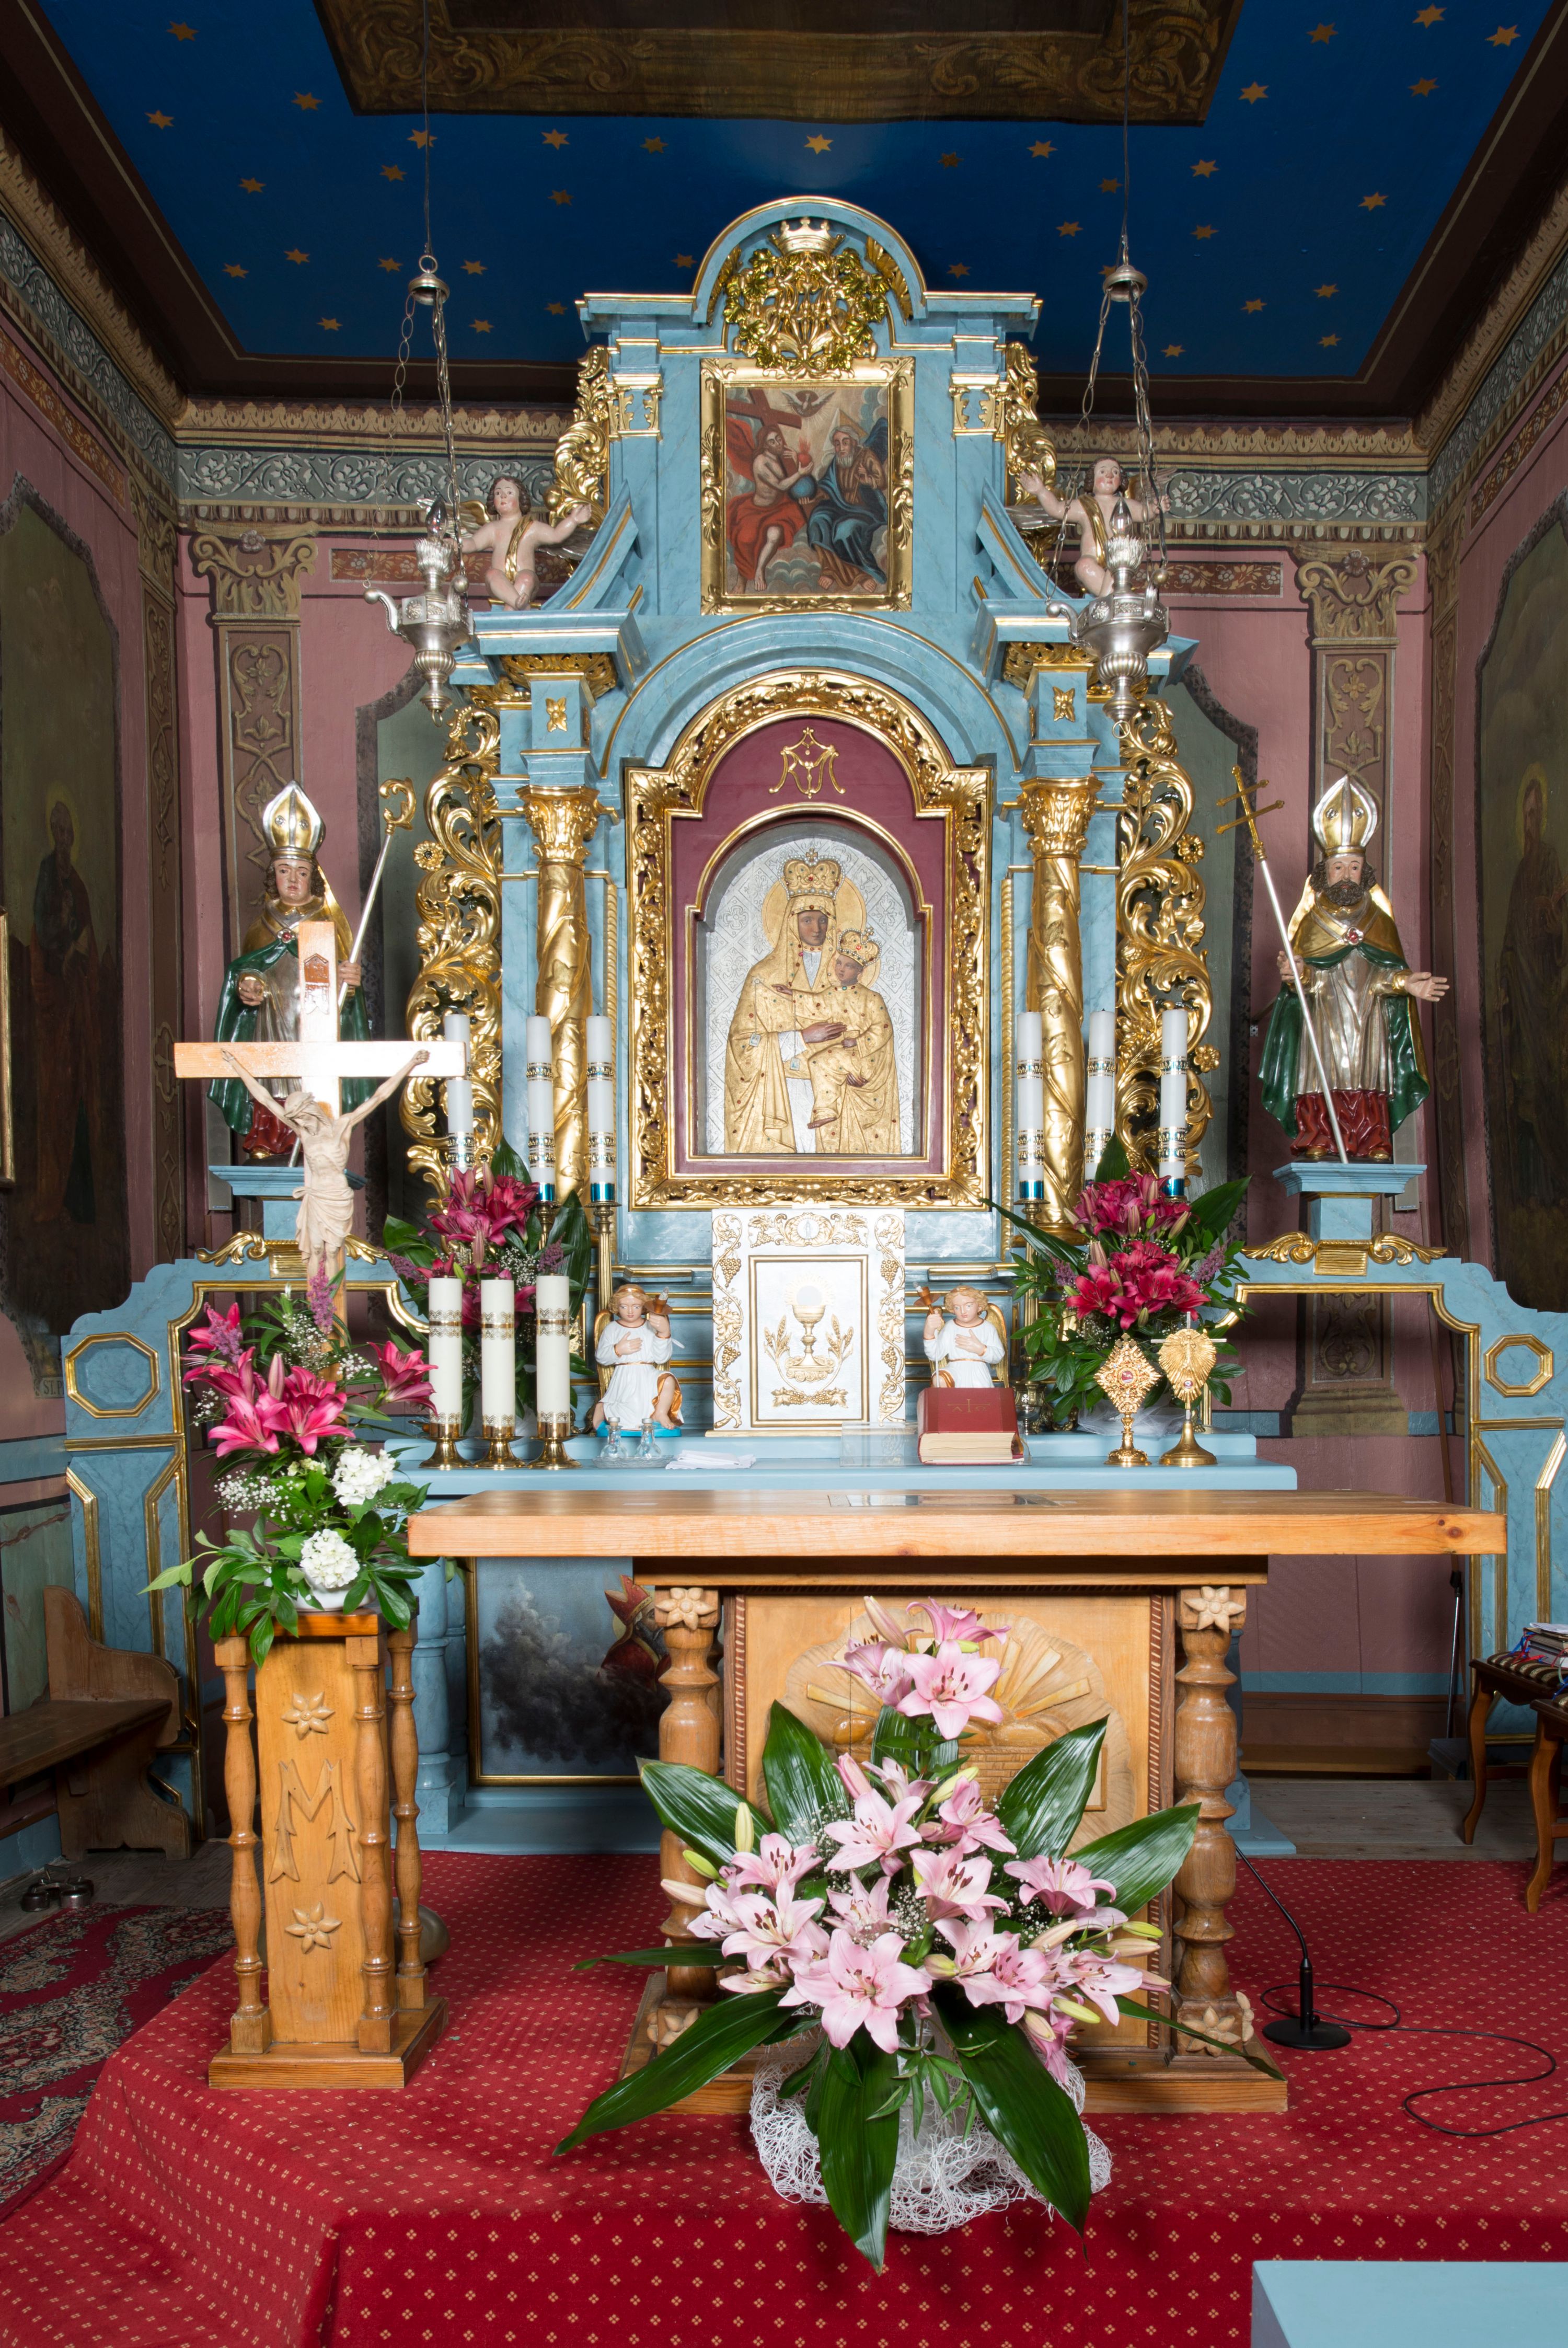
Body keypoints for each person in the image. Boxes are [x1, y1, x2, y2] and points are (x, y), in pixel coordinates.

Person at [1259, 776, 1448, 1161]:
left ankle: (1373, 1137)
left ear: (1365, 872)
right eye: (1339, 867)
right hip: (1324, 1017)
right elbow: (1303, 980)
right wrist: (1298, 975)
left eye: (1355, 867)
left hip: (1369, 1017)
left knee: (1371, 1072)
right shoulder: (1311, 922)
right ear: (1324, 872)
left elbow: (1386, 971)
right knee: (1319, 1072)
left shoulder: (1380, 921)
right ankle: (1318, 1134)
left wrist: (1407, 983)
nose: (1346, 875)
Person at [210, 785, 369, 1160]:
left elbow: (344, 980)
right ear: (273, 876)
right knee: (272, 1073)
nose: (293, 880)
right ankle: (269, 1135)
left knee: (312, 1076)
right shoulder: (262, 923)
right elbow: (248, 967)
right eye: (284, 871)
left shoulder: (328, 921)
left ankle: (314, 1136)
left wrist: (349, 982)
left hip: (313, 1013)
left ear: (313, 876)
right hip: (272, 1015)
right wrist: (248, 984)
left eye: (301, 872)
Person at [218, 1051, 427, 1275]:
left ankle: (329, 1296)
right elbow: (266, 1099)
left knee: (333, 1250)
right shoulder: (304, 1133)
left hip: (337, 1196)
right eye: (296, 1120)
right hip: (316, 1195)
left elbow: (379, 1097)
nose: (299, 1123)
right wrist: (236, 1065)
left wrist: (411, 1064)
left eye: (301, 1117)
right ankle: (317, 1296)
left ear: (311, 1111)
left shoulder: (342, 1126)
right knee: (316, 1249)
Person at [723, 856, 859, 1153]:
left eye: (823, 919)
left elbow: (865, 1026)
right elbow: (742, 1044)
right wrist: (801, 1037)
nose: (817, 928)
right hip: (782, 1094)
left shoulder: (846, 975)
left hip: (837, 1095)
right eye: (807, 919)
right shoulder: (763, 977)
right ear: (791, 921)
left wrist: (856, 1063)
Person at [1496, 767, 1568, 1204]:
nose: (1531, 823)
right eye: (1526, 815)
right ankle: (1532, 1190)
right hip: (1521, 997)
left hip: (1544, 994)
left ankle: (1557, 1180)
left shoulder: (1551, 861)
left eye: (1536, 815)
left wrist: (1555, 929)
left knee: (1548, 1083)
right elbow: (1509, 939)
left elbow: (1558, 931)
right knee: (1523, 1089)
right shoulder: (1522, 871)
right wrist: (1505, 978)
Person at [28, 796, 100, 1223]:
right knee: (56, 1092)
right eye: (57, 831)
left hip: (77, 1005)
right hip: (54, 1002)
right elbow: (42, 930)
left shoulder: (78, 884)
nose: (63, 839)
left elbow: (88, 935)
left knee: (79, 1094)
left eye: (68, 832)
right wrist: (65, 949)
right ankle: (52, 1192)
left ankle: (79, 1196)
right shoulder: (46, 876)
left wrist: (81, 953)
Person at [793, 928, 900, 1155]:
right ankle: (824, 1113)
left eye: (849, 966)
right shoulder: (832, 993)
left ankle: (825, 1111)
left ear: (860, 971)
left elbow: (883, 1029)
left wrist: (859, 1042)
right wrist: (790, 995)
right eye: (839, 963)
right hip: (840, 1056)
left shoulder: (872, 998)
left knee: (818, 1062)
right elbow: (814, 1004)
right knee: (799, 1062)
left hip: (865, 1058)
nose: (841, 969)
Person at [1016, 456, 1169, 596]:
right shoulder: (1084, 505)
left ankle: (1108, 602)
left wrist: (1155, 507)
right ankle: (1117, 599)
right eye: (1103, 472)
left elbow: (1144, 513)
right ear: (1092, 480)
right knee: (1084, 566)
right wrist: (1041, 491)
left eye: (1115, 473)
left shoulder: (1125, 505)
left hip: (1116, 560)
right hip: (1092, 559)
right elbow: (1056, 509)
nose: (1110, 475)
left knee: (1118, 565)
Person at [459, 474, 591, 610]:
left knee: (526, 577)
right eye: (498, 493)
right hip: (498, 584)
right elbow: (474, 543)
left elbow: (556, 535)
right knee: (492, 574)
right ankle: (518, 603)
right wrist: (456, 544)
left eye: (509, 493)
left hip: (527, 583)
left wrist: (573, 520)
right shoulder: (492, 529)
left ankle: (512, 607)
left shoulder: (531, 528)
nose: (503, 496)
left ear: (520, 499)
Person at [801, 416, 889, 591]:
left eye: (845, 443)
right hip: (840, 506)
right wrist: (813, 497)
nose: (841, 448)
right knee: (818, 520)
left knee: (845, 530)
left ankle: (861, 574)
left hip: (865, 509)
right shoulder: (838, 461)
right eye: (837, 444)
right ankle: (829, 570)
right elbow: (827, 486)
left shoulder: (866, 456)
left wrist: (867, 479)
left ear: (854, 443)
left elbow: (882, 482)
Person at [725, 422, 813, 590]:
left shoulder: (782, 456)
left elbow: (795, 477)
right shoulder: (760, 462)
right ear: (765, 445)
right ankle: (742, 582)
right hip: (756, 510)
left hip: (779, 508)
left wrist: (796, 460)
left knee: (775, 534)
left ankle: (760, 569)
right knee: (747, 540)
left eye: (778, 439)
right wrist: (800, 473)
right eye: (772, 442)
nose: (778, 443)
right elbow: (780, 485)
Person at [591, 1285, 681, 1431]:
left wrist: (664, 1333)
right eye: (624, 1307)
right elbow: (601, 1357)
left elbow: (661, 1358)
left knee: (669, 1380)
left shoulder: (651, 1327)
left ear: (644, 1307)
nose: (630, 1311)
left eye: (636, 1306)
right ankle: (603, 1408)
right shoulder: (612, 1328)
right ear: (617, 1307)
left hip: (648, 1374)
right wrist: (618, 1349)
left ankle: (660, 1413)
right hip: (625, 1376)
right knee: (633, 1404)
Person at [922, 1286, 1005, 1389]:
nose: (963, 1311)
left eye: (968, 1306)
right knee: (940, 1380)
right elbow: (935, 1355)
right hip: (955, 1371)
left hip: (978, 1373)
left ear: (979, 1306)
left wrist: (981, 1349)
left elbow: (998, 1356)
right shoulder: (950, 1327)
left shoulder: (987, 1327)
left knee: (978, 1396)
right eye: (957, 1307)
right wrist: (929, 1333)